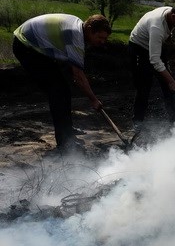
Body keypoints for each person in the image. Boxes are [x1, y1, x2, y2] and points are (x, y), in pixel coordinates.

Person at [12, 13, 111, 152]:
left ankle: (67, 130)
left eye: (105, 39)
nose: (102, 42)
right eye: (100, 37)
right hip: (25, 45)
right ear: (89, 29)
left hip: (36, 46)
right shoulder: (75, 35)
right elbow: (78, 76)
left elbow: (73, 69)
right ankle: (64, 142)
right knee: (57, 91)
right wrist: (93, 99)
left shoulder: (79, 27)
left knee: (63, 89)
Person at [128, 3, 175, 131]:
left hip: (155, 45)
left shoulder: (171, 14)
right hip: (139, 46)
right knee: (144, 85)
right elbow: (155, 60)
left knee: (168, 86)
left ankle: (174, 120)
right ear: (173, 17)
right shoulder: (157, 27)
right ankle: (137, 121)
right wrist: (171, 80)